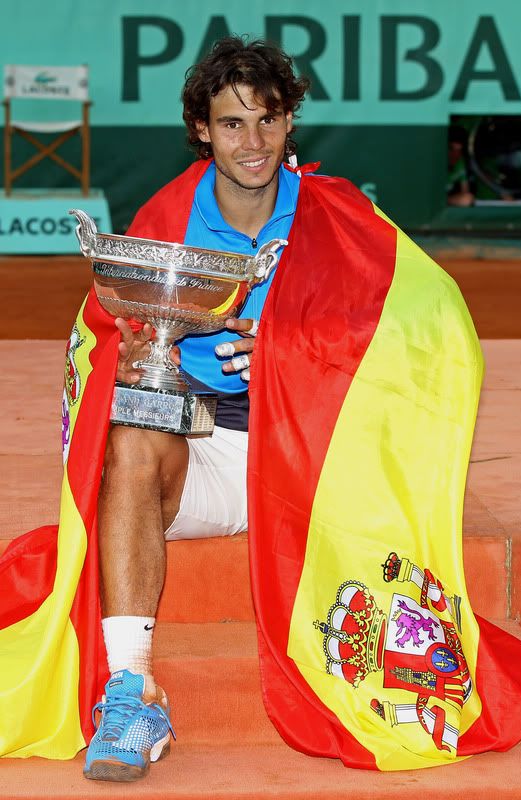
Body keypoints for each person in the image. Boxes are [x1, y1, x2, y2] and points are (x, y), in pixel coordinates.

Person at [83, 36, 310, 782]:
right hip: (209, 447)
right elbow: (106, 331)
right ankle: (132, 691)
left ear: (289, 122)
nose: (254, 142)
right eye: (233, 123)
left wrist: (296, 352)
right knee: (129, 440)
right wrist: (135, 353)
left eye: (268, 119)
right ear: (201, 130)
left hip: (309, 458)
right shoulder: (166, 217)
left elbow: (408, 331)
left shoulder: (335, 215)